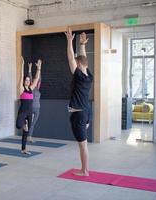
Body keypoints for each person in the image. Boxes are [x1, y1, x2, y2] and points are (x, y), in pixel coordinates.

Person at [65, 28, 93, 176]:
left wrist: (70, 41)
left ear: (79, 64)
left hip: (79, 114)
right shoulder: (89, 76)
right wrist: (82, 45)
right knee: (84, 144)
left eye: (76, 63)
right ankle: (84, 169)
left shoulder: (80, 77)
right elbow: (84, 59)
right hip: (86, 111)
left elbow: (71, 58)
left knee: (83, 145)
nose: (74, 64)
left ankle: (84, 170)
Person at [27, 63, 41, 143]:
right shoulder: (31, 88)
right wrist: (29, 69)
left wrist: (39, 67)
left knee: (33, 123)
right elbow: (32, 77)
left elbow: (38, 78)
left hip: (38, 108)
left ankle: (29, 136)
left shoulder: (38, 89)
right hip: (31, 107)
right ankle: (28, 136)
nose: (36, 82)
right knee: (30, 123)